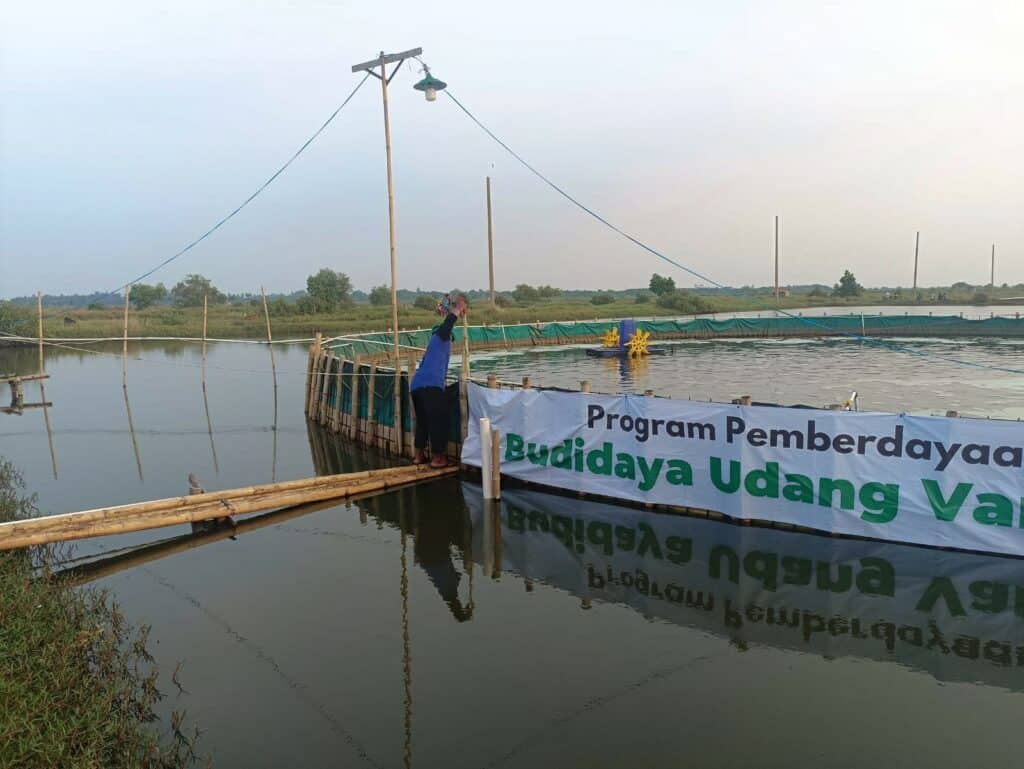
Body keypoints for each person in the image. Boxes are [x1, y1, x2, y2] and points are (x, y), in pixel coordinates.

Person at [411, 294, 467, 467]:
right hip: (430, 386)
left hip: (417, 386)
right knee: (439, 419)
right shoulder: (442, 336)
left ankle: (419, 456)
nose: (451, 341)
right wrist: (458, 308)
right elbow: (448, 324)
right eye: (451, 338)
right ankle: (438, 458)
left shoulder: (433, 345)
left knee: (423, 423)